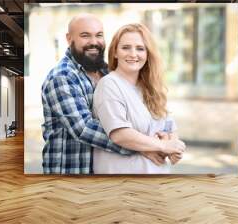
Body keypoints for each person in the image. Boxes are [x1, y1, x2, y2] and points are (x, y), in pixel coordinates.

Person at [41, 14, 184, 174]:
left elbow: (165, 124)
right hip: (70, 171)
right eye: (85, 35)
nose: (94, 42)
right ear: (69, 38)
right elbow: (84, 129)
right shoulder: (63, 77)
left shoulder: (105, 71)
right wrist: (145, 146)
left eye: (99, 35)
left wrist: (169, 144)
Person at [93, 23, 185, 174]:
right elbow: (120, 134)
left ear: (148, 54)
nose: (133, 54)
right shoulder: (109, 85)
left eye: (140, 48)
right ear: (115, 52)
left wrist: (173, 146)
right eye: (126, 47)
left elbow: (169, 126)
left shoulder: (151, 88)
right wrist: (162, 146)